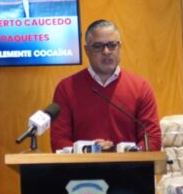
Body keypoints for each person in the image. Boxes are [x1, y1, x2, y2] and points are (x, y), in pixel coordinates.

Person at [50, 19, 162, 151]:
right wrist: (91, 151)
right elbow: (59, 141)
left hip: (129, 164)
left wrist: (118, 152)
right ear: (87, 50)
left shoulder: (141, 87)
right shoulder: (66, 88)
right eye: (98, 46)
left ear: (120, 47)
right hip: (82, 164)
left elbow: (152, 139)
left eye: (112, 45)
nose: (106, 51)